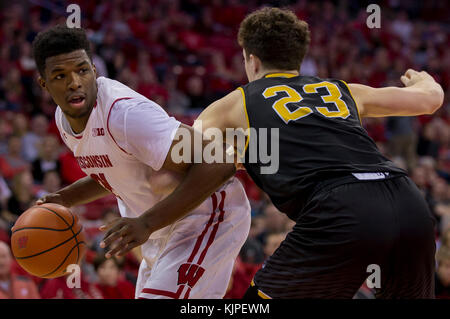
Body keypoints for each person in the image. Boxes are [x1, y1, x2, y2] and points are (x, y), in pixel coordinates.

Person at [104, 7, 443, 299]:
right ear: (298, 57)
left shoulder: (231, 106)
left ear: (250, 59)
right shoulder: (341, 90)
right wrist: (423, 79)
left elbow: (170, 171)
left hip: (342, 210)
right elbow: (429, 100)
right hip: (408, 201)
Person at [33, 25, 250, 299]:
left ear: (94, 70)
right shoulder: (63, 121)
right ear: (44, 83)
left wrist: (146, 223)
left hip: (207, 215)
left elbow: (218, 160)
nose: (74, 82)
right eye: (60, 75)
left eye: (82, 70)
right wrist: (63, 198)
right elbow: (116, 170)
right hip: (162, 226)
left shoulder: (125, 115)